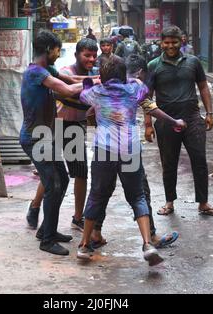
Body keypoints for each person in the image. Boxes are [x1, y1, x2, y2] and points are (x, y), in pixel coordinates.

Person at [76, 56, 185, 265]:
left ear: (104, 76)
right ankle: (147, 244)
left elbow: (83, 94)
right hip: (130, 149)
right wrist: (175, 121)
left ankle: (83, 245)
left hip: (104, 150)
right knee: (137, 197)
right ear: (123, 75)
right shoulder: (136, 89)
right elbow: (148, 100)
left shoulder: (95, 92)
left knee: (97, 195)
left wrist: (94, 81)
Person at [144, 25, 213, 217]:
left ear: (182, 41)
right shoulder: (153, 65)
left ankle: (203, 203)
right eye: (167, 42)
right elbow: (146, 96)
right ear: (161, 43)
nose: (170, 45)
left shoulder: (193, 62)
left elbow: (203, 88)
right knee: (169, 163)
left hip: (193, 119)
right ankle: (169, 202)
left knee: (200, 161)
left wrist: (209, 113)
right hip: (166, 121)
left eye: (174, 42)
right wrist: (147, 124)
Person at [20, 30, 85, 256]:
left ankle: (48, 230)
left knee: (61, 180)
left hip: (44, 137)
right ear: (49, 49)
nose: (59, 54)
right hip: (34, 138)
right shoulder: (36, 73)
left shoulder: (47, 69)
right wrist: (97, 85)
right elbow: (67, 90)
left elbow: (73, 80)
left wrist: (101, 79)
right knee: (53, 184)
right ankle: (47, 240)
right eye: (57, 50)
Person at [26, 38, 99, 233]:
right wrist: (93, 90)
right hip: (58, 125)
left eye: (94, 56)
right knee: (51, 175)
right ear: (76, 55)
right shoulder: (62, 72)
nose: (91, 59)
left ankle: (77, 217)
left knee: (80, 173)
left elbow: (86, 90)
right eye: (87, 55)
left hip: (76, 126)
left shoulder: (90, 75)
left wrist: (100, 81)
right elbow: (63, 92)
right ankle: (35, 207)